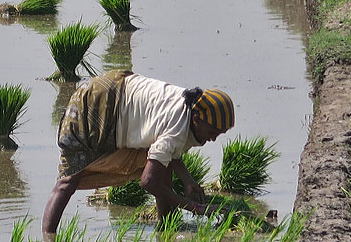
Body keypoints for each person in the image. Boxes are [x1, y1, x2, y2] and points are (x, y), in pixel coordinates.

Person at [42, 70, 235, 235]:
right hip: (97, 105)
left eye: (220, 134)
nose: (214, 138)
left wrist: (188, 180)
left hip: (115, 89)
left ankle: (166, 226)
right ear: (196, 119)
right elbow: (148, 181)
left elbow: (167, 152)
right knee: (68, 181)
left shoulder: (187, 107)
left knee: (161, 165)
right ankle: (48, 237)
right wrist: (195, 208)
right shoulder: (178, 127)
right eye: (212, 132)